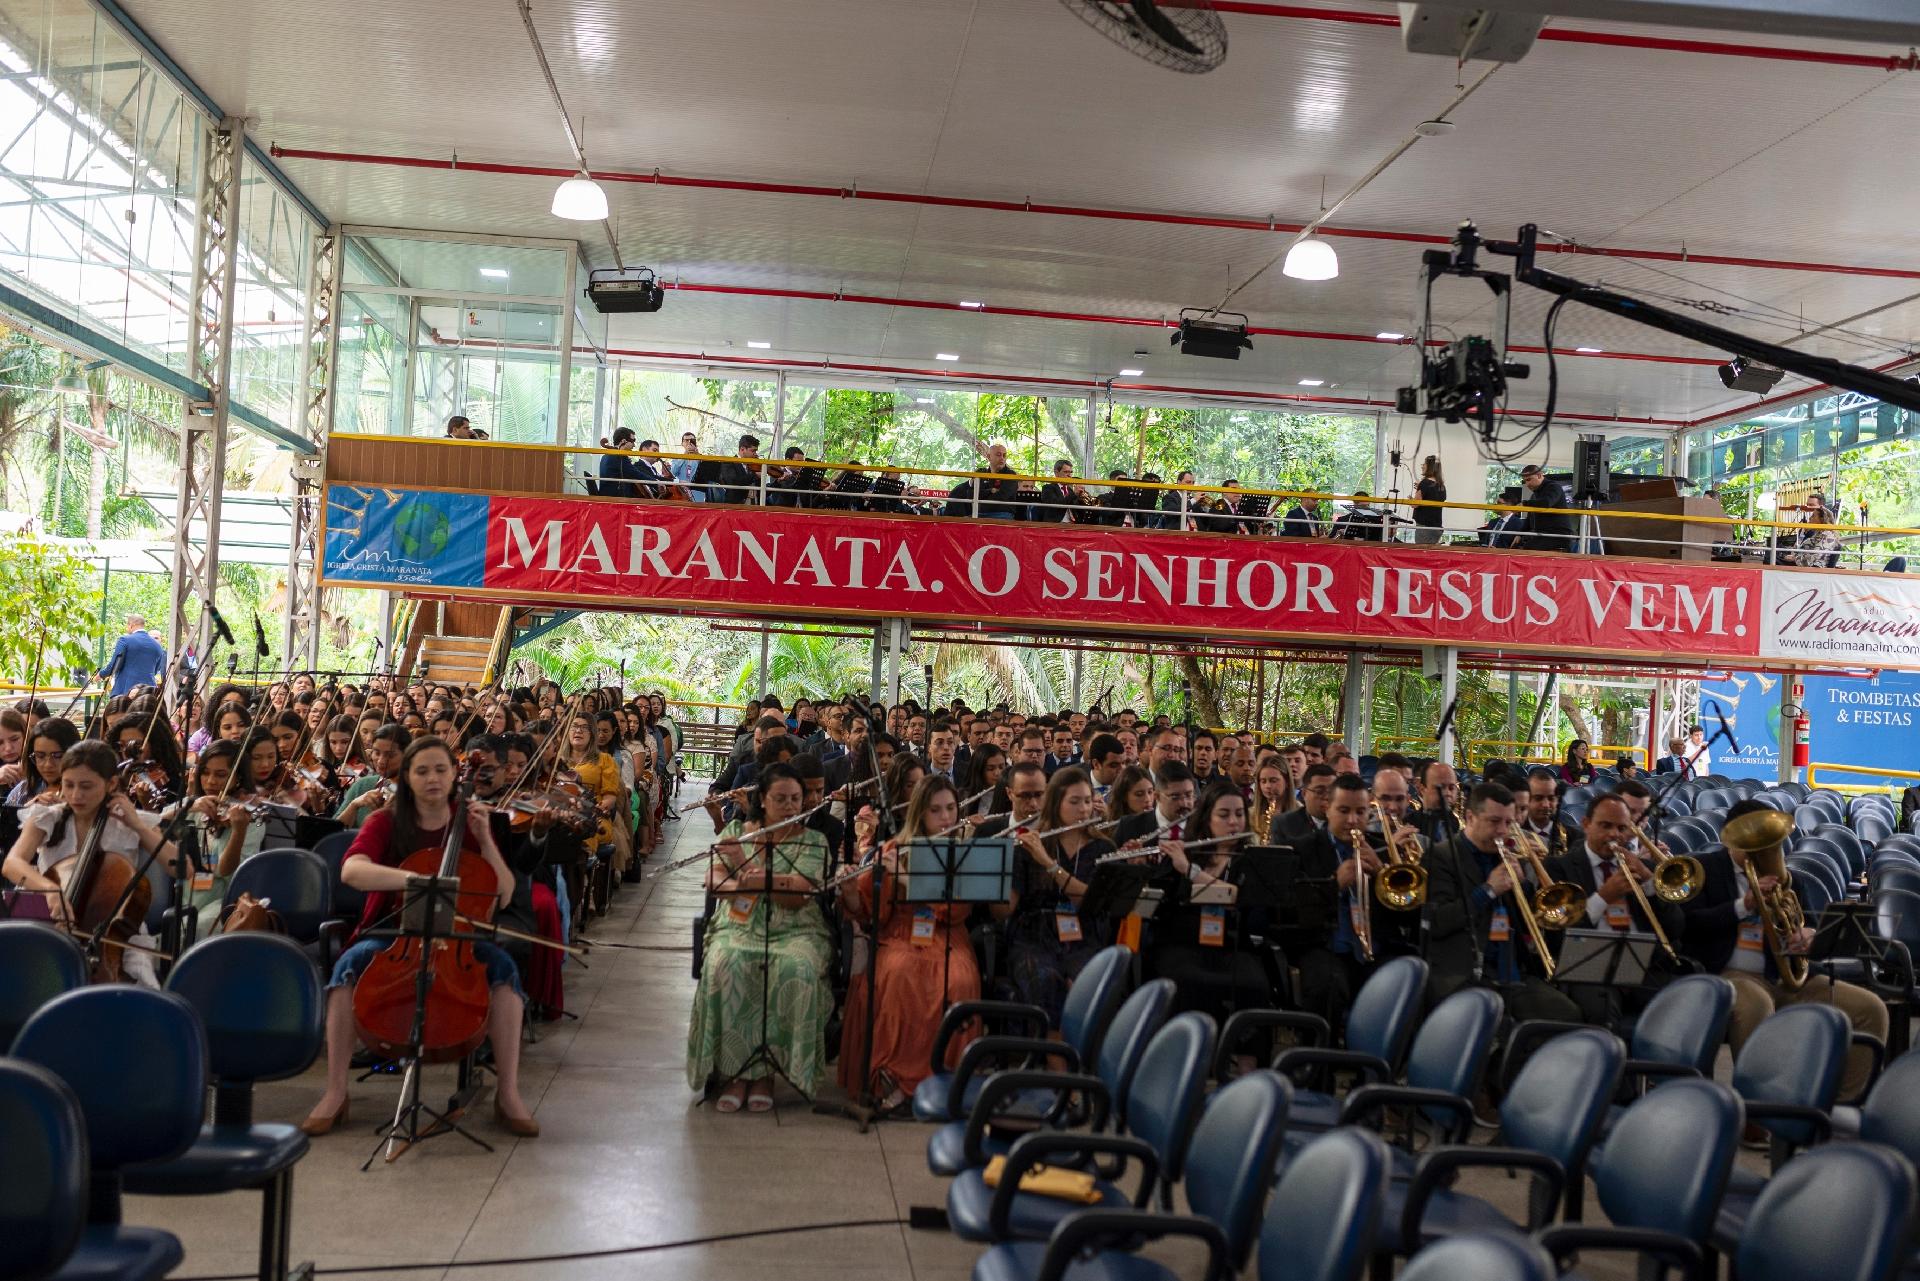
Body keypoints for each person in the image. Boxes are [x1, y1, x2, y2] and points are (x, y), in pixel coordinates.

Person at [296, 737, 534, 1137]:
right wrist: (418, 880)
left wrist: (487, 839)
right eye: (421, 771)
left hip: (458, 939)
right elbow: (352, 871)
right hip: (393, 934)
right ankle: (336, 1091)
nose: (433, 779)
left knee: (505, 974)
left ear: (456, 774)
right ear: (406, 778)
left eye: (441, 769)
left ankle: (508, 1093)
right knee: (347, 969)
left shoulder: (472, 821)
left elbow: (505, 892)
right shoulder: (385, 822)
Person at [1681, 800, 1887, 1102]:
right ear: (1730, 837)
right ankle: (1758, 1108)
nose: (1761, 850)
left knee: (1870, 1008)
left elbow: (1812, 926)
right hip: (1727, 973)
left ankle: (1843, 1105)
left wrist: (1808, 935)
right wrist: (1744, 906)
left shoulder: (1791, 880)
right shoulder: (1703, 869)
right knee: (1756, 1005)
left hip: (1782, 975)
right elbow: (1689, 925)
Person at [688, 763, 833, 1111]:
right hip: (738, 926)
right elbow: (714, 882)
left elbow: (798, 895)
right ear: (763, 801)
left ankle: (768, 1073)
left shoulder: (814, 840)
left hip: (797, 928)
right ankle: (734, 1072)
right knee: (728, 962)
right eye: (780, 799)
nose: (790, 806)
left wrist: (745, 869)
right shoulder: (737, 832)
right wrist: (755, 877)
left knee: (794, 968)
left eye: (796, 799)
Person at [837, 775, 982, 1113]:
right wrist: (849, 893)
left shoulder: (961, 855)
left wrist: (905, 878)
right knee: (900, 974)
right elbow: (869, 912)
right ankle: (894, 1078)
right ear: (919, 813)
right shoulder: (892, 849)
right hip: (901, 933)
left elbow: (958, 911)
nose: (946, 818)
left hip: (946, 935)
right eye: (936, 810)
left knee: (958, 980)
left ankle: (949, 1081)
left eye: (950, 808)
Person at [3, 739, 174, 988]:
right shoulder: (48, 817)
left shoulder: (131, 823)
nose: (75, 795)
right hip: (54, 925)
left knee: (136, 989)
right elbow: (12, 863)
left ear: (111, 783)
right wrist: (50, 890)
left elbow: (180, 866)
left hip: (117, 935)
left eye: (86, 786)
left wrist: (136, 824)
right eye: (68, 785)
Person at [1421, 781, 1583, 1022]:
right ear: (1470, 817)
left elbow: (1531, 922)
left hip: (1513, 972)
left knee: (1566, 1014)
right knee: (1496, 1024)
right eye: (1494, 822)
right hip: (1464, 971)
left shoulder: (1507, 857)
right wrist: (1488, 890)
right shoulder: (1441, 856)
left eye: (1509, 823)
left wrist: (1524, 886)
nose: (1502, 831)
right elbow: (1438, 922)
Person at [1141, 783, 1272, 1046]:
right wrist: (1138, 868)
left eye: (1239, 814)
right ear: (1207, 818)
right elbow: (1150, 902)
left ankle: (1247, 1063)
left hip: (1232, 945)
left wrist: (1189, 871)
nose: (1233, 822)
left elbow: (1239, 897)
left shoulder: (1251, 859)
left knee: (1254, 985)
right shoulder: (1185, 851)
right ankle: (1185, 1051)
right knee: (1187, 980)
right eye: (1223, 815)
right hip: (1183, 944)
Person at [1541, 793, 1684, 1027]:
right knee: (1601, 1007)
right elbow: (1557, 935)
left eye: (1621, 828)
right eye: (1605, 826)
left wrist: (1650, 884)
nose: (1614, 835)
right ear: (1586, 825)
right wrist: (1603, 896)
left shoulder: (1644, 867)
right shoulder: (1559, 868)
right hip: (1588, 968)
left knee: (1687, 1004)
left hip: (1644, 965)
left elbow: (1676, 928)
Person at [1294, 773, 1418, 1033]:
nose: (1352, 820)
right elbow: (1292, 912)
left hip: (1377, 947)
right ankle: (1318, 1064)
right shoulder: (1302, 849)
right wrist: (1333, 885)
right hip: (1327, 945)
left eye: (1360, 812)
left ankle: (1376, 1067)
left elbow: (1409, 913)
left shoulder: (1381, 848)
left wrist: (1382, 873)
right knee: (1327, 987)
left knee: (1403, 981)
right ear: (1327, 808)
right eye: (1344, 810)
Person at [1001, 766, 1117, 1027]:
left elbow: (1088, 900)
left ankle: (1078, 1053)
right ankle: (1054, 1055)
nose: (1084, 809)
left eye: (1087, 801)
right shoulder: (1030, 845)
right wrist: (998, 867)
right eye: (1074, 802)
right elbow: (1006, 909)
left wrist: (1048, 864)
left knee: (1085, 981)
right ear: (1056, 804)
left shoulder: (1103, 847)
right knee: (1043, 979)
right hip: (1034, 937)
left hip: (1084, 934)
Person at [101, 615, 167, 697]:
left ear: (131, 625)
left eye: (127, 625)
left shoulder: (124, 640)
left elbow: (115, 665)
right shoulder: (157, 646)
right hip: (148, 693)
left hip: (125, 691)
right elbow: (156, 669)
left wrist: (101, 675)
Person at [1271, 763, 1334, 844]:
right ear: (1304, 793)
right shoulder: (1284, 824)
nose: (1327, 797)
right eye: (1320, 792)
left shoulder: (1345, 822)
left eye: (1332, 791)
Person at [692, 433, 762, 504]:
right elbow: (733, 482)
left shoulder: (753, 466)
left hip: (754, 504)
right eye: (753, 451)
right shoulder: (729, 463)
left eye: (756, 451)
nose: (755, 454)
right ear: (742, 449)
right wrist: (754, 475)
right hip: (736, 505)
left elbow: (760, 490)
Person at [1519, 464, 1574, 552]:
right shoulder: (1534, 495)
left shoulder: (1554, 487)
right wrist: (1519, 535)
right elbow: (1529, 519)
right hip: (1543, 535)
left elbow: (1547, 502)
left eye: (1529, 479)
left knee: (1529, 548)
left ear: (1539, 475)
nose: (1527, 484)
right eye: (1525, 481)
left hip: (1558, 535)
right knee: (1516, 544)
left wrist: (1525, 503)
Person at [597, 427, 654, 499]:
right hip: (616, 499)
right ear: (623, 441)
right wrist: (657, 484)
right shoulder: (619, 457)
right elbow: (636, 474)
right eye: (633, 441)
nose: (634, 445)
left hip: (606, 495)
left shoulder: (606, 455)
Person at [1413, 455, 1446, 546]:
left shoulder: (1424, 483)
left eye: (1424, 464)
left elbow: (1415, 504)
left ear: (1430, 467)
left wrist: (1418, 490)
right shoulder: (1442, 486)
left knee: (1421, 555)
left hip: (1424, 528)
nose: (1422, 466)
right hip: (1437, 528)